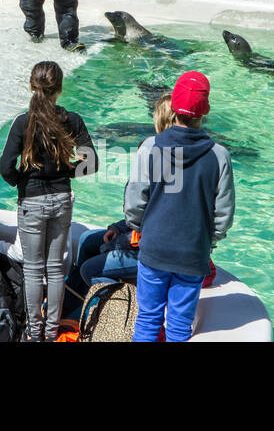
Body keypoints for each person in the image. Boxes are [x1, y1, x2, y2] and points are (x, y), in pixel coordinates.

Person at [125, 71, 235, 343]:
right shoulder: (219, 155)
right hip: (192, 255)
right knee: (179, 327)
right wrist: (207, 240)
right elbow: (223, 214)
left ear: (172, 107)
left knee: (148, 319)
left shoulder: (150, 147)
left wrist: (141, 228)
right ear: (204, 112)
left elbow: (135, 201)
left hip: (154, 249)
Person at [0, 61, 97, 341]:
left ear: (32, 85)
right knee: (55, 270)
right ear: (60, 88)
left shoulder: (23, 122)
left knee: (32, 270)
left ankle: (34, 333)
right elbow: (92, 164)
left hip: (32, 200)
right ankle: (52, 334)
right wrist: (65, 170)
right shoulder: (71, 120)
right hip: (61, 198)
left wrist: (22, 182)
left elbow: (5, 166)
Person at [63, 96, 176, 319]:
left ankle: (116, 314)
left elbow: (147, 223)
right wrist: (118, 226)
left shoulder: (167, 163)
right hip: (136, 234)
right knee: (87, 241)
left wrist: (117, 242)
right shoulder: (154, 150)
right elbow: (140, 212)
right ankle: (72, 307)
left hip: (149, 249)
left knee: (90, 268)